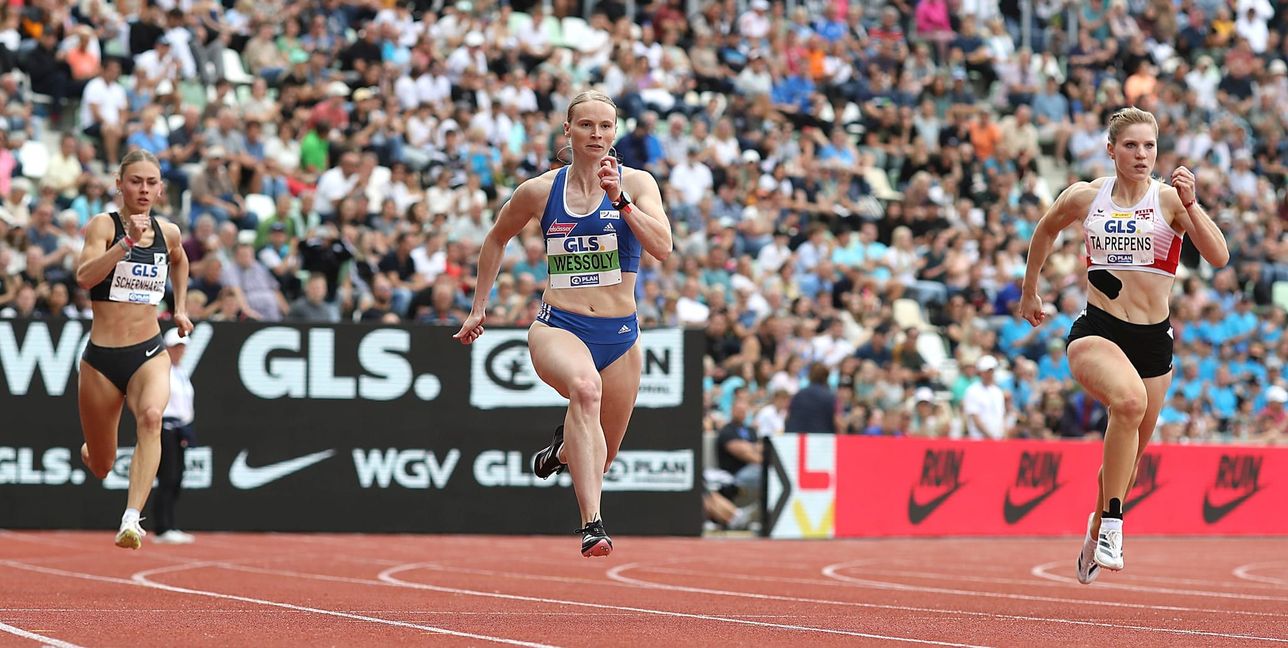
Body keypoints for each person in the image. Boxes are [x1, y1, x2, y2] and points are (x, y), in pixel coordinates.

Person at [453, 90, 672, 557]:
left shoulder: (638, 182)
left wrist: (623, 202)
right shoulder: (540, 190)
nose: (596, 134)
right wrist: (479, 306)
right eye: (587, 125)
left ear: (615, 134)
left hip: (621, 336)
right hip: (560, 327)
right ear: (567, 132)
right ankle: (592, 525)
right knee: (584, 389)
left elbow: (663, 247)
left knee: (602, 456)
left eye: (606, 127)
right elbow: (495, 239)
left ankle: (560, 453)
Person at [1020, 107, 1228, 581]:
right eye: (1131, 145)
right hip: (1098, 329)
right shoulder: (1086, 196)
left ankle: (1096, 528)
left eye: (1149, 146)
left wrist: (1193, 205)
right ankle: (1114, 522)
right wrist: (1030, 290)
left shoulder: (1171, 201)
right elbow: (1046, 229)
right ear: (1111, 150)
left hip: (1154, 342)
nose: (1141, 154)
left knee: (1128, 462)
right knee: (1128, 403)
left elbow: (1219, 256)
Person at [74, 149, 193, 549]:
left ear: (160, 188)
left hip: (148, 351)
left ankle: (131, 519)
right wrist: (126, 243)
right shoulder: (102, 227)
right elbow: (85, 278)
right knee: (103, 465)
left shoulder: (168, 232)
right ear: (119, 184)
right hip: (102, 361)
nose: (144, 189)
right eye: (136, 181)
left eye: (151, 183)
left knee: (152, 417)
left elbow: (180, 261)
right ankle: (94, 449)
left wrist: (180, 309)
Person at [153, 327, 196, 544]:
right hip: (164, 429)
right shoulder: (161, 371)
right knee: (167, 478)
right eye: (177, 347)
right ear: (167, 348)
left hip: (180, 429)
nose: (181, 351)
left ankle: (171, 525)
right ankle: (162, 528)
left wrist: (186, 427)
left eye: (183, 348)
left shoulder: (181, 373)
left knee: (176, 478)